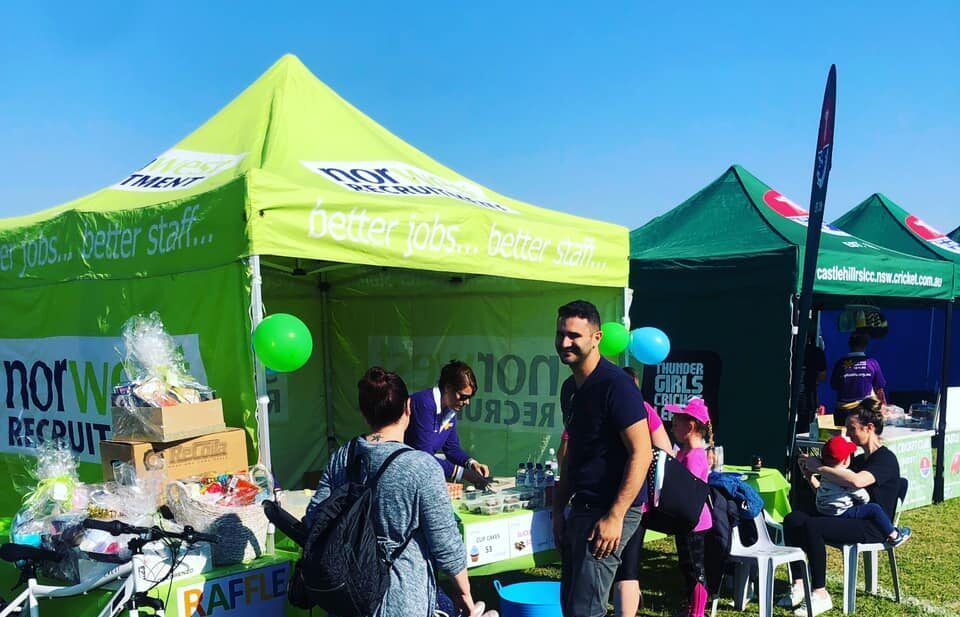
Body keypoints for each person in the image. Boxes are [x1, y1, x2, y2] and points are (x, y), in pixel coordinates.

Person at [305, 367, 488, 617]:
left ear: (363, 412)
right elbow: (446, 545)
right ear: (408, 409)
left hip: (346, 595)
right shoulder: (421, 467)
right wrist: (465, 596)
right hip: (399, 598)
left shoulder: (342, 457)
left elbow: (315, 517)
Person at [550, 300, 653, 617]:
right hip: (582, 505)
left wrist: (616, 515)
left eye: (574, 336)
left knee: (586, 608)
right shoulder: (570, 387)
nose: (565, 342)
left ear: (596, 338)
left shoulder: (616, 385)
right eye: (560, 334)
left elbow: (643, 452)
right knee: (571, 604)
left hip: (611, 508)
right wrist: (557, 509)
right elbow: (572, 452)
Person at [780, 397, 902, 616]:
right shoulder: (855, 459)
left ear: (870, 428)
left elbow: (857, 482)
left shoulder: (885, 459)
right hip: (849, 515)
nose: (848, 434)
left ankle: (820, 594)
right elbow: (832, 499)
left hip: (872, 525)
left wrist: (820, 468)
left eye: (852, 429)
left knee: (814, 527)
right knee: (793, 519)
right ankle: (799, 584)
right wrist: (809, 476)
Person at [612, 371, 675, 617]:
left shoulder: (599, 401)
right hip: (636, 499)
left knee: (616, 568)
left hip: (613, 498)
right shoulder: (645, 409)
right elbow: (665, 451)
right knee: (628, 567)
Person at [810, 435, 911, 546]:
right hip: (841, 513)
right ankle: (894, 535)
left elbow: (822, 490)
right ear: (845, 460)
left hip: (824, 510)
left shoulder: (826, 475)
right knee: (874, 508)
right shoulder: (847, 476)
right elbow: (863, 495)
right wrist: (863, 502)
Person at [405, 360, 491, 487]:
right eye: (463, 396)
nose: (467, 402)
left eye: (469, 397)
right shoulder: (424, 404)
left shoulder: (450, 409)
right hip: (405, 476)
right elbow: (424, 456)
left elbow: (451, 448)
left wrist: (471, 464)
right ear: (447, 388)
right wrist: (462, 473)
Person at [665, 397, 714, 617]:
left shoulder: (695, 457)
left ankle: (697, 612)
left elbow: (688, 490)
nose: (673, 425)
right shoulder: (685, 452)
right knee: (687, 566)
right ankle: (691, 607)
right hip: (686, 521)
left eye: (677, 422)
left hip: (695, 522)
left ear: (691, 426)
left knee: (696, 569)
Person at [831, 333, 886, 426]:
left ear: (849, 344)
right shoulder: (872, 363)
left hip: (843, 413)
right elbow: (879, 389)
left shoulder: (840, 363)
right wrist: (883, 407)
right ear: (866, 345)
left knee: (844, 439)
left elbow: (834, 385)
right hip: (864, 413)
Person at [798, 333, 827, 432]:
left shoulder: (790, 349)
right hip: (808, 398)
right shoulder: (816, 352)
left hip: (792, 396)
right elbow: (822, 376)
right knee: (804, 431)